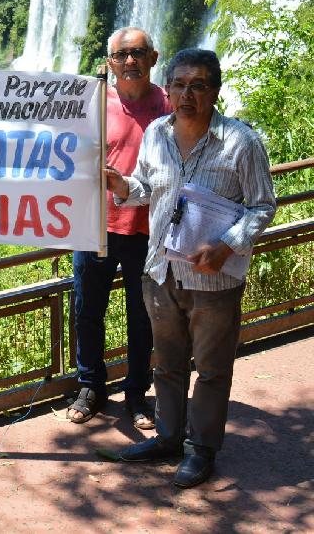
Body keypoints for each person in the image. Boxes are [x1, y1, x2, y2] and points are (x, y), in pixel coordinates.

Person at [107, 49, 276, 488]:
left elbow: (262, 207)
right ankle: (167, 437)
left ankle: (201, 450)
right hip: (161, 271)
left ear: (215, 90)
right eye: (179, 85)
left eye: (198, 85)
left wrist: (226, 246)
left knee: (213, 368)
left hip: (214, 276)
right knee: (167, 363)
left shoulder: (241, 142)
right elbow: (146, 188)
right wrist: (122, 185)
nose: (187, 94)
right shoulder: (157, 134)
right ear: (169, 89)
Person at [67, 27, 171, 429]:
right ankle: (91, 386)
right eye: (122, 55)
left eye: (138, 53)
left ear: (153, 57)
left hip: (149, 230)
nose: (130, 61)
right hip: (95, 227)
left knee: (141, 316)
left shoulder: (170, 103)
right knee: (87, 311)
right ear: (109, 62)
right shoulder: (89, 104)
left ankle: (136, 394)